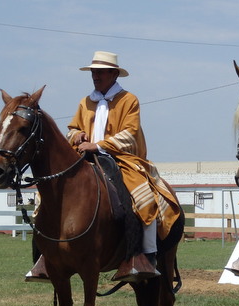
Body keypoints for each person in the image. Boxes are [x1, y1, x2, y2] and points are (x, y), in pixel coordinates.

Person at [26, 51, 181, 283]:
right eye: (93, 72)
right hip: (83, 159)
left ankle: (144, 256)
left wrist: (97, 146)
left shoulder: (129, 100)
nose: (95, 76)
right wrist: (77, 135)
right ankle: (45, 259)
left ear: (114, 73)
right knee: (44, 197)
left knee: (143, 197)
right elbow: (72, 128)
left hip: (121, 159)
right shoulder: (85, 101)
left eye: (100, 71)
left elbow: (130, 134)